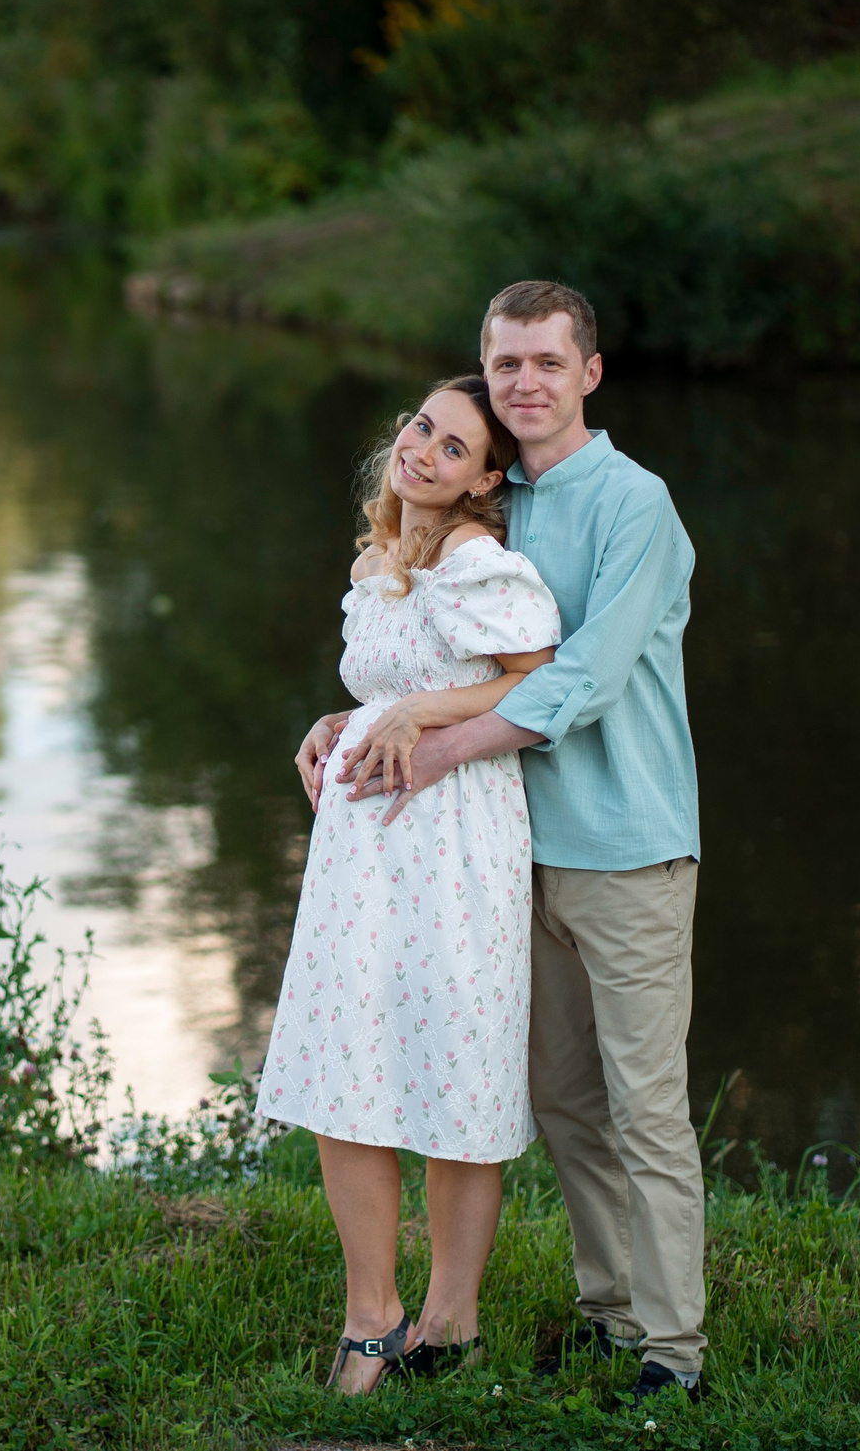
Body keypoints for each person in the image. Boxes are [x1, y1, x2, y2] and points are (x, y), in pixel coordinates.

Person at [319, 281, 706, 1410]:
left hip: (626, 842)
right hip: (504, 852)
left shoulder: (638, 504)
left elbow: (579, 672)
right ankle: (608, 1312)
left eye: (545, 361)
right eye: (504, 364)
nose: (523, 382)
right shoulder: (497, 497)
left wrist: (443, 745)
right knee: (567, 1103)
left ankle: (672, 1350)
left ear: (589, 371)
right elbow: (432, 663)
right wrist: (345, 722)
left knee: (644, 1103)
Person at [257, 374, 563, 1395]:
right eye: (420, 427)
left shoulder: (483, 564)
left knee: (454, 1071)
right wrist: (337, 720)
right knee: (349, 1072)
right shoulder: (385, 557)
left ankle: (451, 1317)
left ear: (484, 477)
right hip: (361, 852)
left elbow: (536, 675)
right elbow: (386, 685)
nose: (422, 449)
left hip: (454, 842)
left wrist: (422, 709)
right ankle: (370, 1313)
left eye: (451, 445)